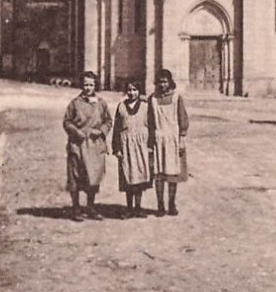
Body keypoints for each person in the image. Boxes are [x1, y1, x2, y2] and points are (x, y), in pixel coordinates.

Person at [63, 70, 112, 222]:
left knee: (93, 176)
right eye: (85, 84)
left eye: (91, 84)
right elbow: (67, 122)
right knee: (75, 176)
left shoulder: (101, 103)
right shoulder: (74, 103)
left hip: (95, 144)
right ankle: (76, 208)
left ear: (95, 85)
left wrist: (101, 131)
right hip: (78, 143)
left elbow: (108, 121)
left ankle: (91, 206)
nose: (88, 87)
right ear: (81, 85)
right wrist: (76, 132)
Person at [147, 68, 189, 217]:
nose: (162, 85)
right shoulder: (152, 99)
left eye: (165, 82)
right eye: (160, 82)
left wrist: (182, 138)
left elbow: (183, 118)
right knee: (159, 174)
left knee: (172, 174)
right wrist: (150, 142)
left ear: (170, 82)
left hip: (173, 139)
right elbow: (150, 121)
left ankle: (171, 203)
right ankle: (160, 205)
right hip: (158, 138)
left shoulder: (177, 98)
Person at [112, 80, 151, 218]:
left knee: (139, 175)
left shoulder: (145, 107)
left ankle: (138, 207)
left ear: (139, 91)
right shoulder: (121, 106)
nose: (131, 92)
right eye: (129, 90)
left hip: (141, 146)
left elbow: (151, 127)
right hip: (126, 145)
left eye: (134, 90)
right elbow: (116, 129)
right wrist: (117, 148)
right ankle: (128, 207)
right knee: (128, 175)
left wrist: (150, 146)